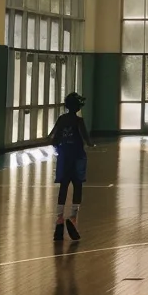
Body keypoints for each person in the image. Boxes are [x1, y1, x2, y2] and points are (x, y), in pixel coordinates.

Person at [49, 92, 91, 242]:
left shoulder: (62, 119)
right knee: (78, 185)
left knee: (63, 186)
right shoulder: (79, 121)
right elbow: (86, 138)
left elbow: (52, 137)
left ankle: (59, 218)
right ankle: (73, 217)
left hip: (64, 157)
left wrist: (59, 144)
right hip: (78, 156)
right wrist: (91, 144)